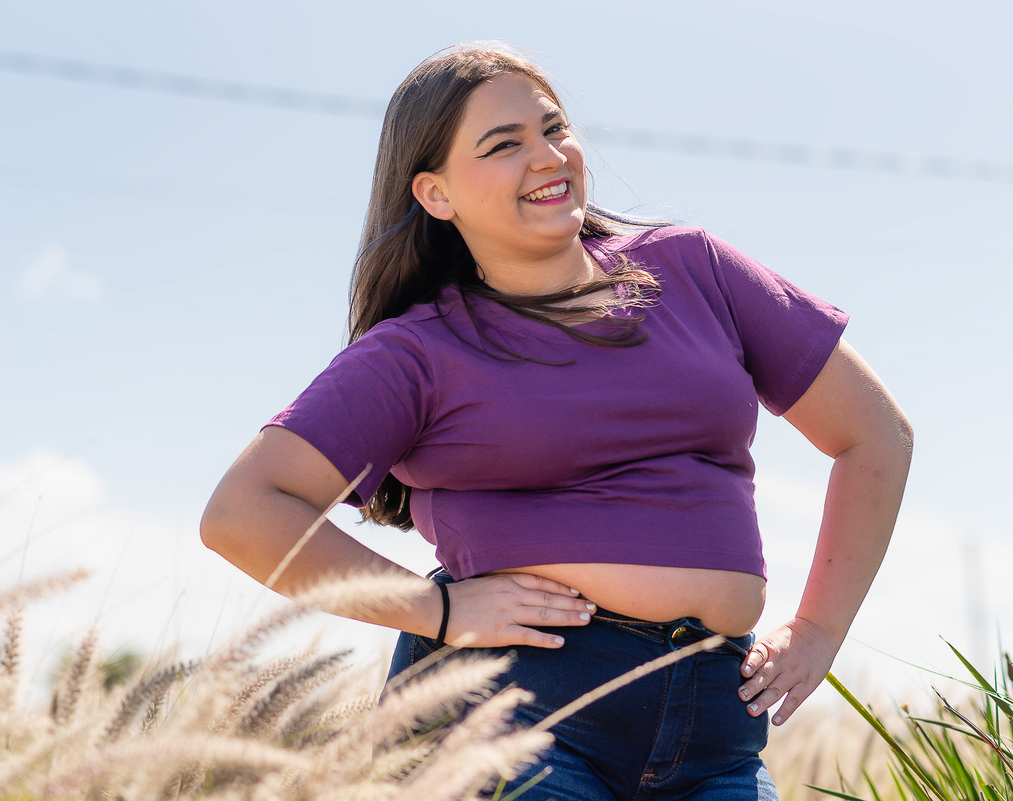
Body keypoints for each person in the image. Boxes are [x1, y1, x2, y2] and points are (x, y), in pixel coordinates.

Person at [200, 44, 912, 799]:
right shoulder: (417, 351)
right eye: (504, 145)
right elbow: (242, 512)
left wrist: (819, 631)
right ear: (436, 194)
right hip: (516, 714)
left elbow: (876, 436)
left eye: (553, 129)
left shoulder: (695, 269)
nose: (548, 157)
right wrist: (434, 607)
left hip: (716, 730)